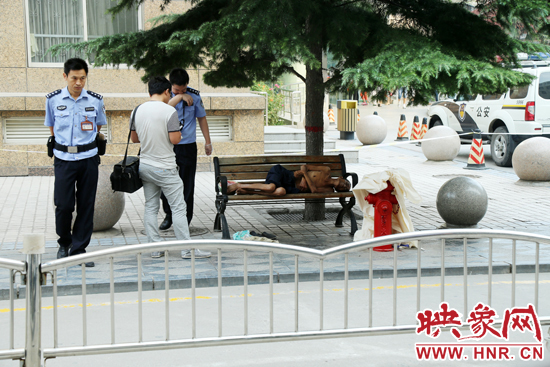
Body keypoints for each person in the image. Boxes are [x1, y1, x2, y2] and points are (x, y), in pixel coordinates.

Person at [130, 76, 210, 259]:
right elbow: (175, 139)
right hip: (165, 167)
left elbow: (135, 139)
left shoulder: (137, 110)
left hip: (145, 166)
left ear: (150, 91)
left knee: (151, 206)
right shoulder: (169, 111)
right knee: (179, 207)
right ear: (167, 91)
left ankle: (155, 247)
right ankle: (186, 249)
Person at [45, 58, 107, 267]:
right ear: (65, 77)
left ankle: (79, 249)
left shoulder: (95, 100)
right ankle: (64, 242)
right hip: (63, 159)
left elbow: (98, 127)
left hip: (88, 158)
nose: (79, 82)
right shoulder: (53, 100)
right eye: (74, 78)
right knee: (63, 205)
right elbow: (52, 127)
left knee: (86, 205)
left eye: (82, 78)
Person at [158, 68, 212, 231]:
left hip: (188, 146)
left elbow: (202, 119)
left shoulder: (194, 96)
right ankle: (169, 215)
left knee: (187, 183)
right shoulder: (166, 95)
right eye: (176, 90)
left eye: (183, 89)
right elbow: (163, 108)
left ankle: (186, 218)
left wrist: (208, 142)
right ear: (170, 87)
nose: (181, 92)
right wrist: (180, 97)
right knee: (166, 182)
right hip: (168, 146)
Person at [227, 164, 351, 196]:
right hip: (285, 175)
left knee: (280, 192)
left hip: (291, 188)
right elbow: (304, 167)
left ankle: (249, 191)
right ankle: (239, 185)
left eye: (345, 188)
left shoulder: (328, 190)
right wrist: (304, 177)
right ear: (341, 178)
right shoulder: (326, 170)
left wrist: (305, 176)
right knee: (271, 188)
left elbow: (313, 191)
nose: (344, 186)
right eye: (346, 183)